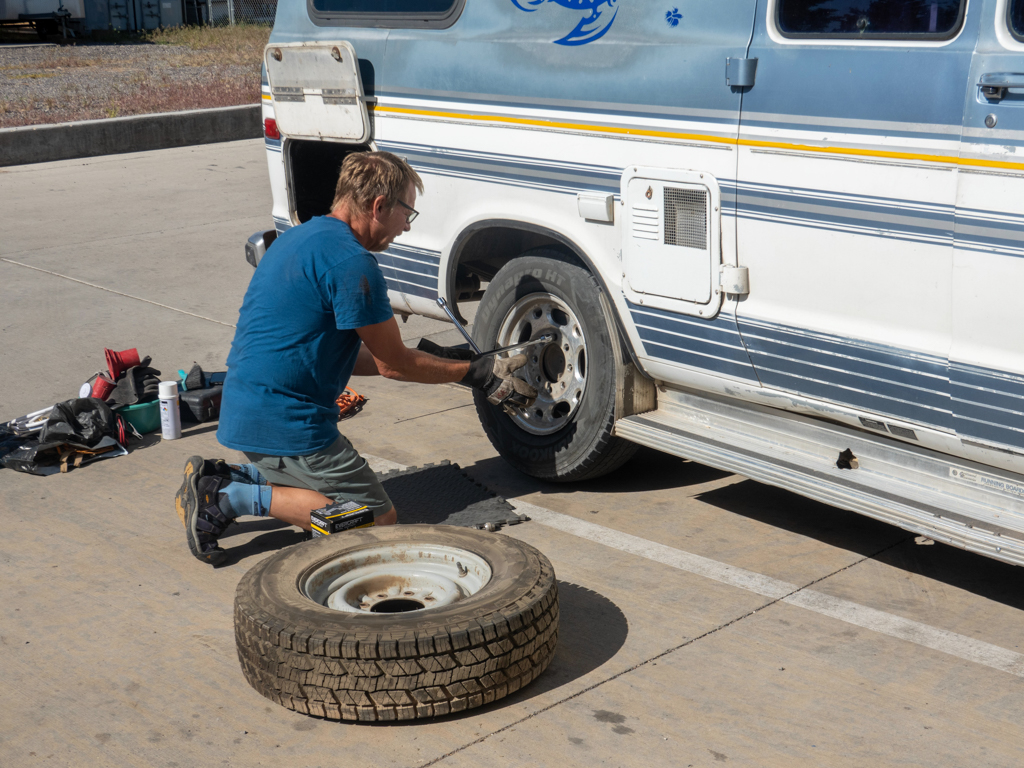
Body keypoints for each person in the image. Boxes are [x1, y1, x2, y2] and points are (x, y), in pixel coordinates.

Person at [174, 151, 537, 565]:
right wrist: (477, 373)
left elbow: (346, 355)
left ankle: (239, 475)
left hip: (248, 409)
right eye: (407, 214)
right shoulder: (353, 263)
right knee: (374, 522)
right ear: (379, 206)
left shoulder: (301, 236)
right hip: (287, 425)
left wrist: (439, 359)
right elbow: (392, 365)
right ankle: (227, 497)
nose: (405, 227)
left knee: (322, 501)